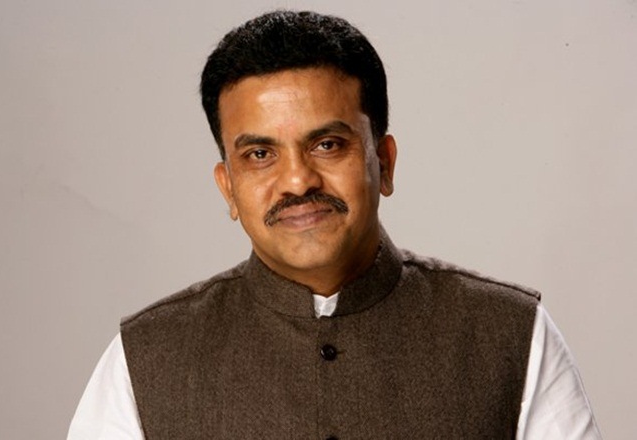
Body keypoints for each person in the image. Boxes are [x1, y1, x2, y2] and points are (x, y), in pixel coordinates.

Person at [68, 10, 601, 439]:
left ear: (384, 162)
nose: (297, 181)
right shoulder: (145, 359)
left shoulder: (513, 335)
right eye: (259, 154)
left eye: (327, 144)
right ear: (228, 187)